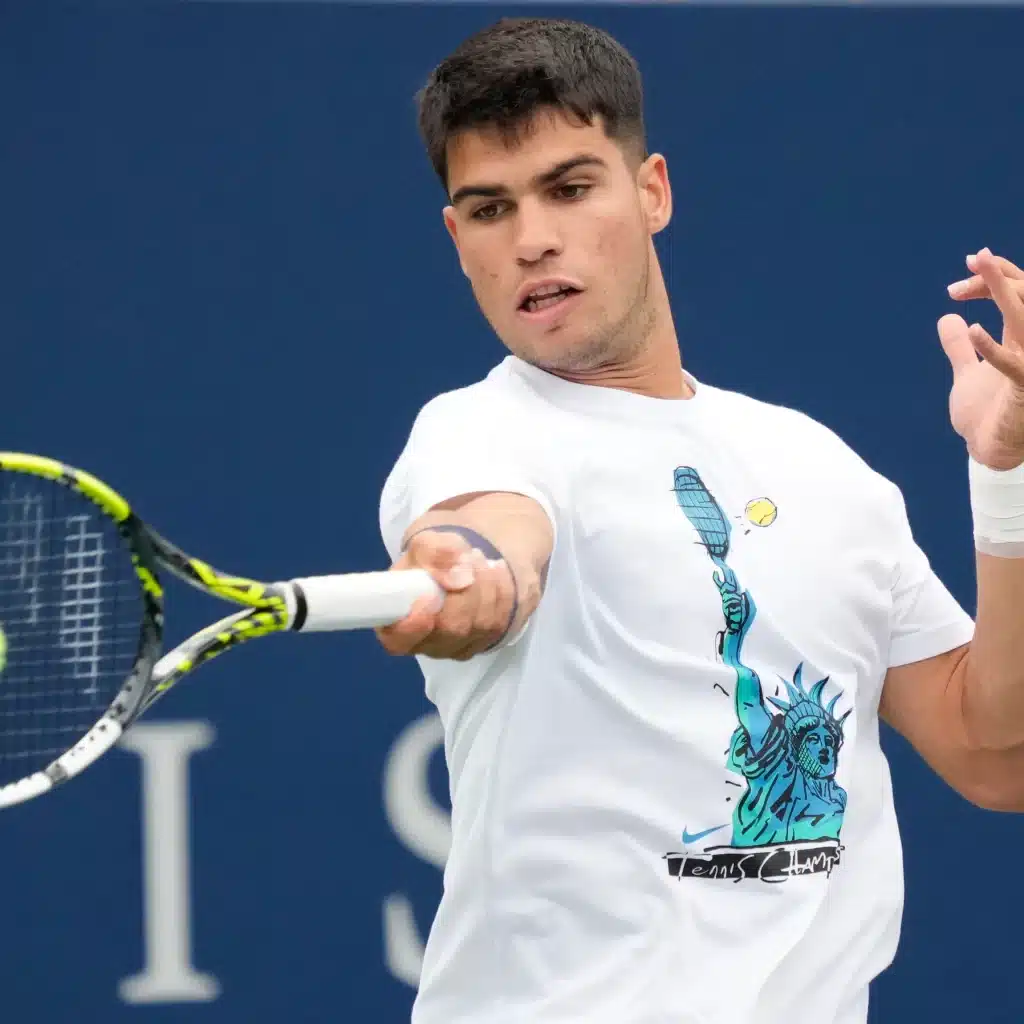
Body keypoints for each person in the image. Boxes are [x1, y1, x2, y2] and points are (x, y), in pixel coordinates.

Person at [374, 17, 1024, 1024]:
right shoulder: (476, 434)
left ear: (652, 191)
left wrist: (1006, 477)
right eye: (490, 209)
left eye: (569, 187)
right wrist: (476, 574)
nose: (532, 237)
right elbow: (491, 531)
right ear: (459, 243)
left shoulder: (820, 466)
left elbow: (997, 756)